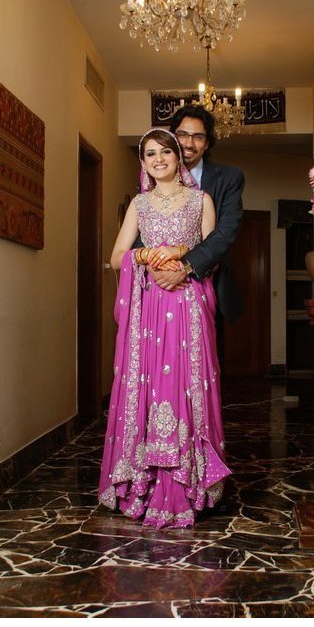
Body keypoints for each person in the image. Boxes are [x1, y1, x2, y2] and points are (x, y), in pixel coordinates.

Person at [98, 128, 231, 529]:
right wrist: (144, 255)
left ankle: (191, 485)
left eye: (165, 151)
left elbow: (212, 256)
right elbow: (117, 256)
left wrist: (181, 253)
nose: (158, 159)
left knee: (187, 383)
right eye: (150, 153)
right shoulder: (139, 204)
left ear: (179, 156)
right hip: (150, 307)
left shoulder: (201, 200)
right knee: (150, 382)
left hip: (188, 304)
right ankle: (145, 481)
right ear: (143, 163)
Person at [147, 104, 245, 325]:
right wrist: (150, 266)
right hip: (159, 284)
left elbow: (226, 232)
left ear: (207, 143)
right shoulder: (155, 173)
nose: (189, 143)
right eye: (182, 135)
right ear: (172, 137)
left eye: (198, 137)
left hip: (208, 282)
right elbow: (143, 229)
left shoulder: (229, 178)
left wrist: (186, 266)